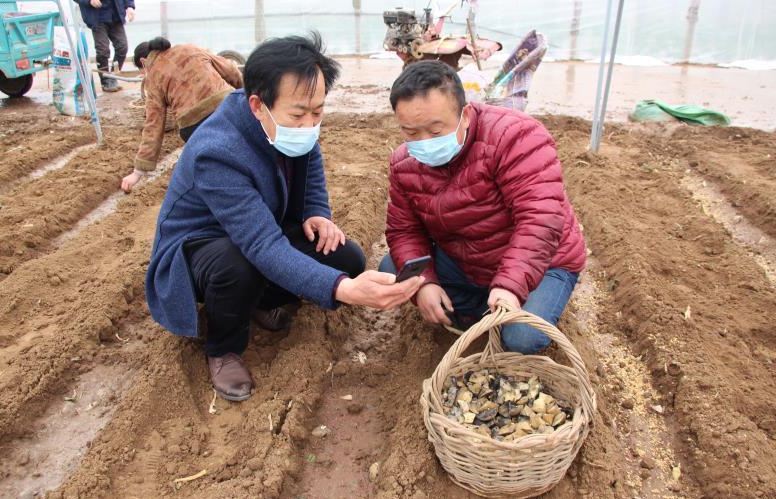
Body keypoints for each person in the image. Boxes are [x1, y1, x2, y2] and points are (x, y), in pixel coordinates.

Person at [145, 33, 423, 402]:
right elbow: (260, 244)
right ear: (259, 105)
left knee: (346, 258)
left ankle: (258, 299)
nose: (310, 123)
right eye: (299, 113)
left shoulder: (291, 125)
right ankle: (223, 348)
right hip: (201, 248)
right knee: (239, 265)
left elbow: (311, 167)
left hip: (259, 227)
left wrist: (316, 212)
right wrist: (345, 289)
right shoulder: (217, 151)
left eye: (318, 111)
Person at [380, 61, 586, 354]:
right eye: (411, 133)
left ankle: (517, 301)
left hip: (544, 261)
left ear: (465, 115)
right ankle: (484, 307)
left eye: (435, 131)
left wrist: (511, 286)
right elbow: (404, 230)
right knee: (393, 269)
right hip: (468, 261)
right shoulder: (404, 163)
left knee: (521, 338)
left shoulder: (515, 136)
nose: (423, 142)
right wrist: (424, 283)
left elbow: (540, 219)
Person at [120, 38, 244, 193]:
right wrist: (241, 91)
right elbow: (231, 71)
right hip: (228, 107)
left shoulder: (153, 78)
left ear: (144, 62)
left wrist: (138, 172)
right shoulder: (190, 48)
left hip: (195, 125)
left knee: (216, 165)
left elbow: (154, 125)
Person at [74, 0, 135, 92]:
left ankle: (113, 76)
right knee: (103, 51)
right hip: (97, 18)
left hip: (116, 15)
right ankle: (105, 80)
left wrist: (129, 6)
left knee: (122, 47)